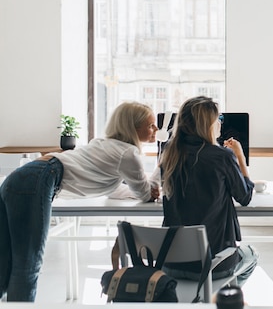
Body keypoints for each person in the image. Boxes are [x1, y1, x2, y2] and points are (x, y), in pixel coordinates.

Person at [0, 101, 160, 302]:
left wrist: (141, 189)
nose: (156, 129)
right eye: (150, 125)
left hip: (21, 177)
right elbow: (146, 194)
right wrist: (162, 165)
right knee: (27, 265)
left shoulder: (102, 143)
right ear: (132, 127)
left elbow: (113, 190)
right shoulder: (129, 154)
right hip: (39, 178)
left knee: (5, 261)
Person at [159, 96, 257, 283]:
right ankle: (224, 297)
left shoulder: (169, 155)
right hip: (213, 265)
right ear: (209, 124)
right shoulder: (222, 156)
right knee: (252, 255)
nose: (220, 124)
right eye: (218, 119)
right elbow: (245, 196)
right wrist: (240, 156)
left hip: (172, 265)